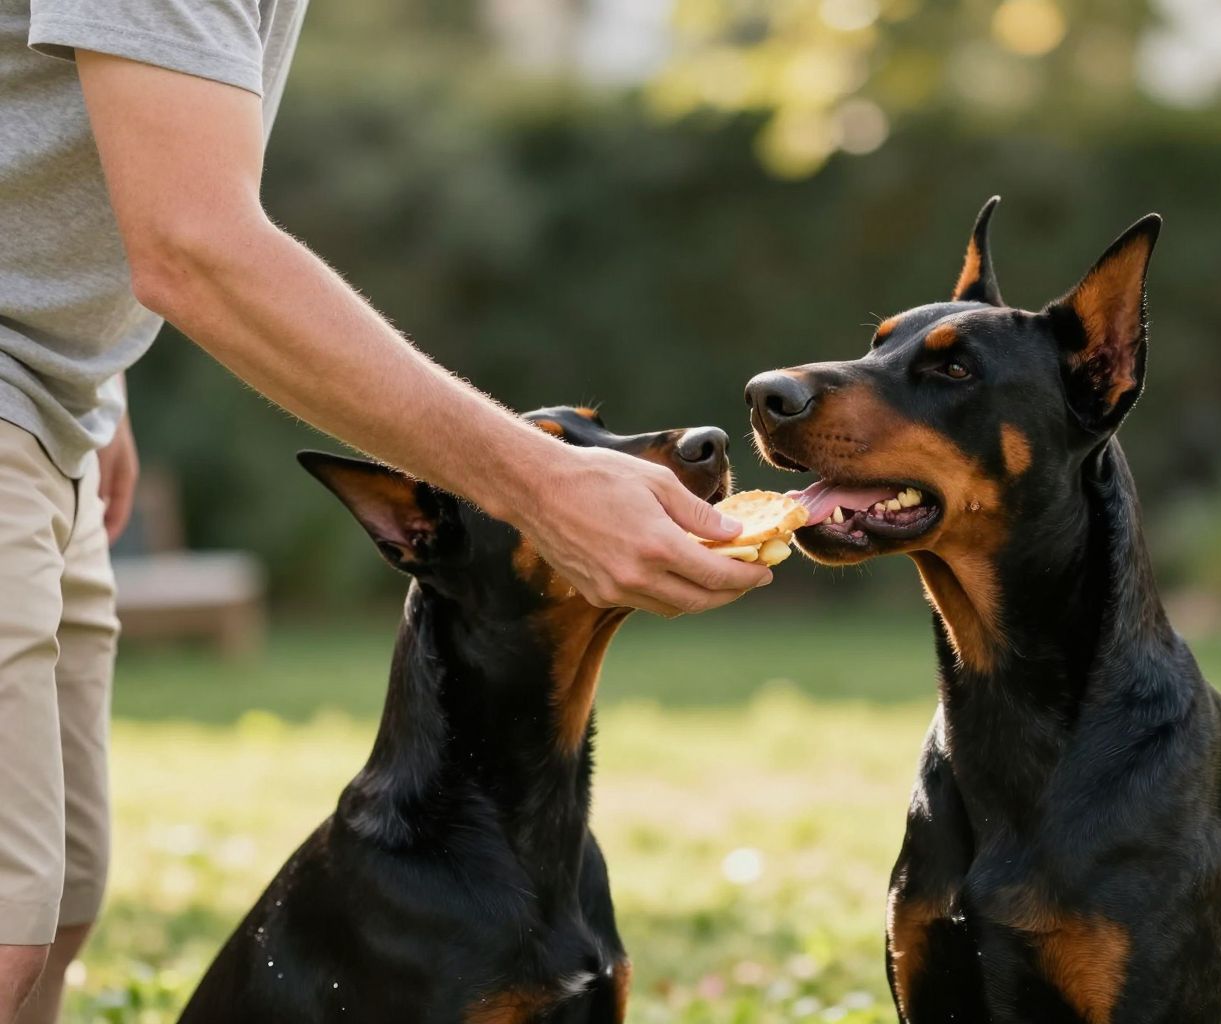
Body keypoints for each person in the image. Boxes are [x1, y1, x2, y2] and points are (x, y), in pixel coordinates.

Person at [0, 2, 773, 1019]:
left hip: (54, 404)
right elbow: (193, 243)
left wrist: (92, 369)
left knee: (55, 907)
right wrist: (542, 485)